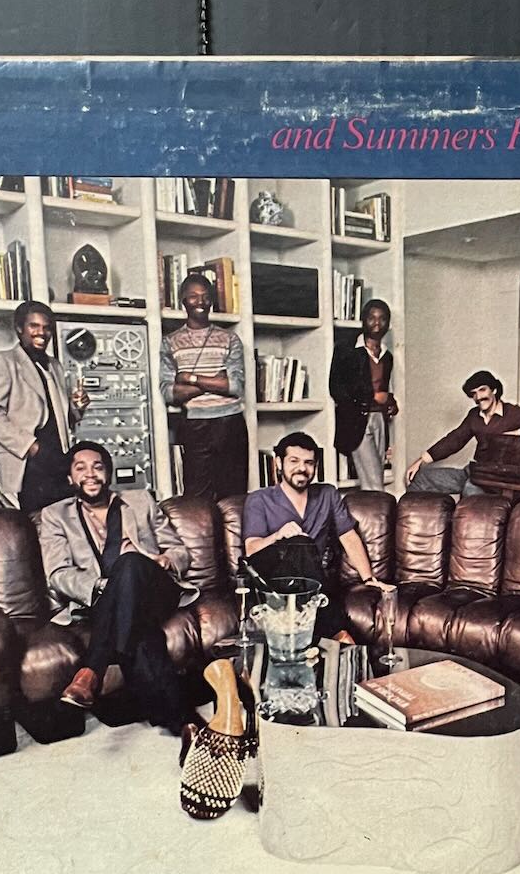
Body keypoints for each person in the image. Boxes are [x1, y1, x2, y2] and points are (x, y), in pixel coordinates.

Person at [40, 442, 199, 732]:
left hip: (155, 588)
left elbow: (179, 551)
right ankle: (186, 724)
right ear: (70, 478)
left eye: (97, 467)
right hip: (102, 597)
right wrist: (103, 585)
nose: (90, 474)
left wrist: (165, 560)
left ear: (108, 474)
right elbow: (58, 574)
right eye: (80, 468)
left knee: (130, 563)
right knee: (143, 635)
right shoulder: (55, 515)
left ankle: (92, 670)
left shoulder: (140, 501)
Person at [243, 432, 390, 642]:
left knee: (305, 550)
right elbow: (251, 549)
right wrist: (278, 535)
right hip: (271, 581)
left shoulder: (327, 494)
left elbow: (349, 537)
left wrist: (369, 579)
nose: (302, 468)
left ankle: (326, 640)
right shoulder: (259, 499)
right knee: (300, 543)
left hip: (310, 583)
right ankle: (338, 632)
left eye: (309, 463)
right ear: (279, 463)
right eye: (294, 461)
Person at [0, 300, 90, 513]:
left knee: (66, 519)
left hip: (58, 458)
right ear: (19, 328)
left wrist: (77, 407)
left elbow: (61, 418)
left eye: (47, 327)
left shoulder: (55, 365)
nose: (42, 333)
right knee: (35, 523)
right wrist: (31, 446)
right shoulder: (3, 360)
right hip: (27, 461)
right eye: (34, 326)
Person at [159, 272, 248, 500]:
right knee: (197, 498)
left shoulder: (230, 339)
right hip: (194, 425)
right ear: (183, 301)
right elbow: (169, 393)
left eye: (205, 296)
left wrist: (190, 378)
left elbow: (235, 386)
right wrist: (216, 381)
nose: (201, 302)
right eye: (193, 296)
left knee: (234, 495)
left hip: (231, 423)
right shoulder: (170, 342)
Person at [404, 371, 520, 497]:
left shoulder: (512, 412)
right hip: (475, 471)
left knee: (470, 489)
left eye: (482, 390)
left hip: (496, 479)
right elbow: (455, 440)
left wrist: (518, 432)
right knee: (420, 478)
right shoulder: (474, 415)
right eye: (474, 393)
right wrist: (421, 461)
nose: (478, 397)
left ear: (494, 390)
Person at [330, 298, 397, 492]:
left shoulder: (387, 356)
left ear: (388, 323)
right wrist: (371, 397)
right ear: (363, 321)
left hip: (379, 419)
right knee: (373, 484)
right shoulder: (347, 351)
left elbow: (382, 388)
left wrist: (389, 401)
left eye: (382, 319)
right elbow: (336, 388)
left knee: (377, 477)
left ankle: (376, 510)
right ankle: (380, 511)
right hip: (356, 421)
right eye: (371, 318)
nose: (377, 323)